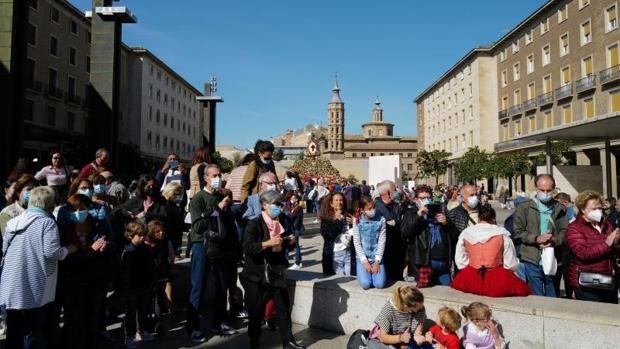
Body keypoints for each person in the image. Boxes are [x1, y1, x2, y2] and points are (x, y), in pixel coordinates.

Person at [0, 186, 78, 349]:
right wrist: (68, 249)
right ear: (50, 204)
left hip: (12, 283)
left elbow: (5, 249)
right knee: (33, 330)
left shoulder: (14, 221)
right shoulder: (47, 222)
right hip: (34, 283)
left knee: (14, 330)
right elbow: (51, 252)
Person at [239, 190, 305, 349]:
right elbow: (247, 248)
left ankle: (288, 341)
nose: (279, 207)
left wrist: (290, 241)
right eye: (275, 204)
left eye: (280, 204)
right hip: (257, 274)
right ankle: (254, 342)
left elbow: (286, 240)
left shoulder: (282, 220)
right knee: (256, 312)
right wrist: (266, 243)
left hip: (276, 271)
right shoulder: (254, 223)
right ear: (264, 205)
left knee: (283, 308)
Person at [53, 193, 109, 349]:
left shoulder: (96, 225)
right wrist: (90, 251)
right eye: (74, 209)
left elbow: (106, 243)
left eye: (82, 208)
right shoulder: (64, 231)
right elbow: (65, 257)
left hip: (95, 278)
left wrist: (104, 247)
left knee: (92, 315)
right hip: (72, 280)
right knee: (73, 317)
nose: (78, 212)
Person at [186, 164, 232, 341]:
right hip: (202, 246)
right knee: (198, 286)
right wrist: (217, 209)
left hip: (220, 246)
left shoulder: (221, 195)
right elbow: (197, 226)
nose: (218, 178)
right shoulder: (198, 199)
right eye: (214, 175)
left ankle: (218, 322)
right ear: (205, 178)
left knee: (221, 286)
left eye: (219, 175)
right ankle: (193, 327)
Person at [452, 204, 530, 297]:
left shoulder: (466, 233)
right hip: (497, 276)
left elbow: (460, 261)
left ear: (479, 218)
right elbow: (510, 264)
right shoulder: (502, 234)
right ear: (494, 219)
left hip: (472, 274)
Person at [513, 174, 567, 297]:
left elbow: (565, 231)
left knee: (553, 295)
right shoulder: (525, 207)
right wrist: (536, 239)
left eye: (549, 190)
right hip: (532, 259)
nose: (546, 193)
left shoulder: (559, 208)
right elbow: (518, 231)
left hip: (554, 258)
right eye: (542, 190)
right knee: (536, 296)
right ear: (536, 189)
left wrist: (553, 240)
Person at [566, 190, 620, 303]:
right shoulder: (574, 228)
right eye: (594, 209)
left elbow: (612, 249)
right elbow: (583, 253)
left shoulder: (606, 224)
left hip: (608, 280)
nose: (598, 212)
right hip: (587, 283)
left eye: (600, 208)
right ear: (583, 209)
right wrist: (607, 243)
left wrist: (616, 242)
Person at [400, 185, 455, 287]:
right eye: (423, 198)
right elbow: (405, 234)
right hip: (424, 262)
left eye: (429, 197)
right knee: (427, 293)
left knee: (448, 289)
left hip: (443, 261)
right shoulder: (411, 213)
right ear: (416, 200)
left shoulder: (439, 210)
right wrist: (418, 216)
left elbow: (453, 234)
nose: (426, 200)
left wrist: (446, 223)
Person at [205, 188, 242, 335]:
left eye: (230, 199)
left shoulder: (229, 213)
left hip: (230, 255)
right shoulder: (213, 213)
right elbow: (219, 234)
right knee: (220, 289)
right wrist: (218, 212)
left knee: (227, 287)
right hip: (218, 255)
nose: (229, 202)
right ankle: (217, 323)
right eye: (226, 199)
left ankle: (224, 316)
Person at [120, 220, 156, 348]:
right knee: (130, 313)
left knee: (143, 310)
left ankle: (142, 331)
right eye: (139, 235)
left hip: (144, 284)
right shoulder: (127, 251)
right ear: (130, 235)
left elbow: (150, 266)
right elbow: (125, 273)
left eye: (143, 235)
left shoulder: (145, 248)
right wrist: (127, 289)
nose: (142, 238)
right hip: (132, 287)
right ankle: (129, 336)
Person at [145, 219, 175, 333]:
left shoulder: (167, 242)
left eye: (162, 231)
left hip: (162, 273)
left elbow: (171, 258)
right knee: (150, 298)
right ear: (152, 232)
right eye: (158, 231)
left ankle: (157, 323)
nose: (161, 233)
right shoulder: (146, 244)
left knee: (158, 297)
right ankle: (149, 320)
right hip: (149, 275)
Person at [351, 196, 387, 289]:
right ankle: (364, 273)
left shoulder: (381, 220)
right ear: (362, 210)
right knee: (365, 284)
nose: (373, 210)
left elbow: (382, 241)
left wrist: (377, 261)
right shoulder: (357, 221)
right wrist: (364, 261)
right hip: (363, 257)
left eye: (373, 207)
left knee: (380, 284)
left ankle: (374, 274)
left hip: (376, 256)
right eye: (369, 209)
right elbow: (357, 242)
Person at [374, 180, 405, 281]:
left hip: (398, 247)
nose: (397, 191)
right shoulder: (376, 207)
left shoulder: (396, 205)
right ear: (387, 192)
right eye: (394, 189)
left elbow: (398, 222)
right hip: (385, 249)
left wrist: (395, 222)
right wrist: (394, 222)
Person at [320, 192, 355, 276]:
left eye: (341, 200)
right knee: (341, 280)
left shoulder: (348, 216)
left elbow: (355, 233)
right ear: (331, 203)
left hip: (348, 253)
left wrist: (355, 222)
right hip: (335, 255)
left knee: (350, 278)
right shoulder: (327, 219)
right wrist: (338, 220)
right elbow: (328, 235)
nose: (339, 202)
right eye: (336, 200)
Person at [160, 182, 186, 254]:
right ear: (170, 192)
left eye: (180, 194)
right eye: (177, 194)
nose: (179, 197)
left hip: (173, 237)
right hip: (165, 236)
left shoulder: (175, 205)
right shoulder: (162, 203)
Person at [285, 192, 304, 270]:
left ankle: (298, 262)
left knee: (296, 246)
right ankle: (286, 261)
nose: (292, 199)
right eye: (292, 198)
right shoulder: (291, 206)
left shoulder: (299, 208)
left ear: (297, 199)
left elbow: (293, 217)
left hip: (295, 229)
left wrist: (288, 214)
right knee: (287, 245)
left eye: (294, 198)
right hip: (290, 228)